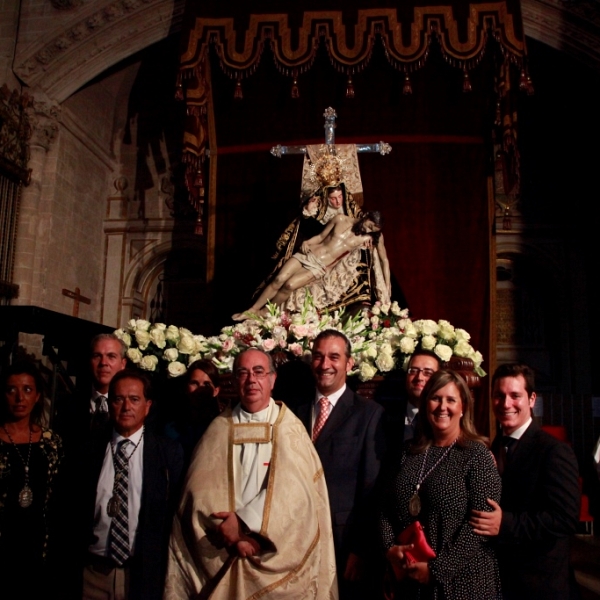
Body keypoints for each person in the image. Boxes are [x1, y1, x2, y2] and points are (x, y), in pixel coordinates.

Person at [165, 348, 337, 599]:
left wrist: (247, 526)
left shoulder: (290, 429)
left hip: (275, 551)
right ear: (234, 381)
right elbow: (198, 492)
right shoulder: (218, 429)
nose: (251, 380)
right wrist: (232, 535)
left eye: (259, 372)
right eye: (243, 373)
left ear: (272, 379)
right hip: (224, 549)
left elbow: (299, 494)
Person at [380, 369, 502, 600]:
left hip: (463, 583)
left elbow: (480, 529)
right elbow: (385, 506)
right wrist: (390, 550)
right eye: (435, 398)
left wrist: (436, 571)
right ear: (426, 404)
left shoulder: (477, 455)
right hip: (411, 582)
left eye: (451, 400)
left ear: (463, 406)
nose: (442, 406)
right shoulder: (407, 453)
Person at [469, 363, 580, 600]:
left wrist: (505, 523)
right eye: (499, 396)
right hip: (501, 581)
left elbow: (565, 519)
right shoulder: (492, 447)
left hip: (541, 584)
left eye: (515, 396)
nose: (506, 404)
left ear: (531, 399)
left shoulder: (553, 451)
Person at [297, 330, 386, 599]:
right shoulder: (292, 411)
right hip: (296, 538)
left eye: (334, 357)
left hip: (343, 545)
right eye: (318, 356)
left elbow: (371, 490)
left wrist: (360, 550)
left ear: (349, 363)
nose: (325, 365)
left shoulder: (369, 414)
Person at [82, 369, 183, 600]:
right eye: (118, 399)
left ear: (147, 406)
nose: (126, 406)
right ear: (109, 404)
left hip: (143, 575)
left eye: (134, 399)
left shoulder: (167, 453)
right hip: (93, 575)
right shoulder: (89, 450)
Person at [233, 211, 391, 320]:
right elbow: (321, 236)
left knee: (289, 285)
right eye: (369, 225)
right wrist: (307, 242)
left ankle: (265, 312)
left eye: (372, 230)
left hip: (320, 267)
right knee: (279, 279)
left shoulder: (368, 238)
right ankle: (252, 309)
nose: (368, 230)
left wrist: (388, 285)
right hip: (308, 254)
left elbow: (384, 260)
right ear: (364, 216)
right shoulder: (340, 219)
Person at [0, 361, 64, 600]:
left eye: (27, 390)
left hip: (40, 553)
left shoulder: (52, 442)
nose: (19, 398)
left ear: (37, 396)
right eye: (11, 390)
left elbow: (58, 499)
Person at [164, 358, 223, 465]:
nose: (200, 390)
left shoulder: (222, 426)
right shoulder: (171, 429)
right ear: (186, 387)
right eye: (194, 383)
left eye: (206, 384)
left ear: (216, 391)